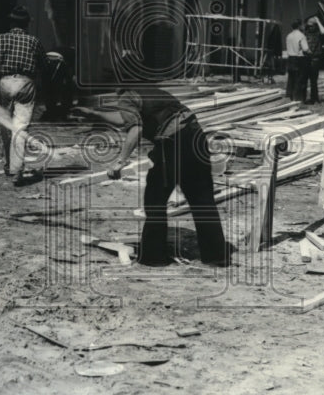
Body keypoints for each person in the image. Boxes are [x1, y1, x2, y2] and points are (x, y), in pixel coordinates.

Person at [73, 86, 229, 267]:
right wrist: (94, 113)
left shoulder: (127, 96)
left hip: (173, 144)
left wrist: (120, 162)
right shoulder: (149, 92)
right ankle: (216, 256)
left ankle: (154, 258)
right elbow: (126, 118)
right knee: (202, 199)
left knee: (155, 200)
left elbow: (136, 128)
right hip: (195, 139)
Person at [0, 5, 48, 181]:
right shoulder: (34, 42)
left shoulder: (0, 39)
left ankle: (9, 165)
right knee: (21, 127)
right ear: (27, 24)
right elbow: (45, 66)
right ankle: (17, 170)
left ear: (11, 22)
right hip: (26, 83)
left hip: (6, 82)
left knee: (6, 125)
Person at [284, 19, 310, 101]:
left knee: (291, 78)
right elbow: (305, 48)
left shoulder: (289, 35)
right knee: (300, 79)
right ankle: (299, 98)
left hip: (290, 58)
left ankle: (291, 96)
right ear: (299, 26)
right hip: (299, 58)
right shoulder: (301, 36)